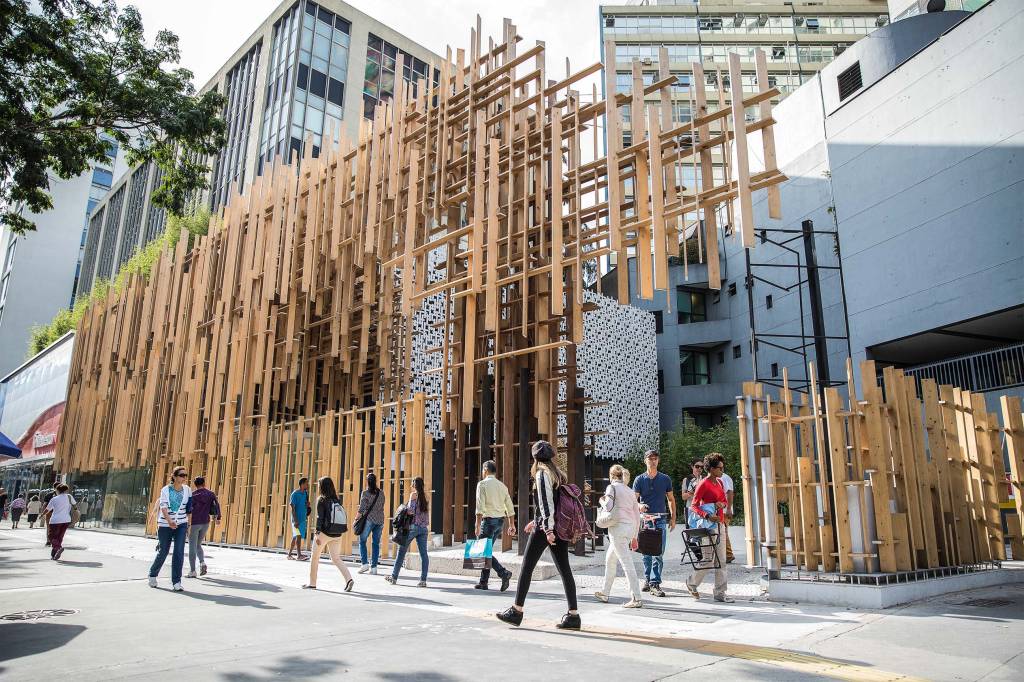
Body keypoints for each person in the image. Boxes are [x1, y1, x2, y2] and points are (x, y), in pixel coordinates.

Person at [496, 440, 580, 630]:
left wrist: (547, 528)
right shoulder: (558, 474)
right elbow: (554, 504)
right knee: (565, 570)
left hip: (547, 529)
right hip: (555, 526)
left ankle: (517, 611)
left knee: (526, 567)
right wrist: (537, 520)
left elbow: (546, 503)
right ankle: (573, 615)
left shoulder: (542, 474)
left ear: (534, 458)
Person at [686, 453, 733, 602]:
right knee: (708, 560)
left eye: (722, 467)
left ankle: (720, 593)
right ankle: (691, 582)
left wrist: (722, 504)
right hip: (708, 525)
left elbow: (724, 500)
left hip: (719, 523)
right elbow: (693, 506)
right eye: (720, 468)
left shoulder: (719, 483)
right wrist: (707, 515)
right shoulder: (703, 484)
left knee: (722, 560)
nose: (722, 470)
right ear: (711, 469)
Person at [594, 464, 643, 608]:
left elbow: (608, 506)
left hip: (617, 529)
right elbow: (636, 515)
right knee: (610, 560)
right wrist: (634, 536)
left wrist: (601, 501)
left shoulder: (612, 487)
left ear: (611, 475)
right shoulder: (630, 491)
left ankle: (636, 598)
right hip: (629, 529)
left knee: (627, 564)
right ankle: (605, 592)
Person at [632, 450, 676, 598]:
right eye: (650, 459)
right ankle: (648, 579)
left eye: (655, 458)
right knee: (646, 552)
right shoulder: (639, 479)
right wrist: (639, 506)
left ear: (658, 460)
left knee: (658, 552)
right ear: (645, 460)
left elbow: (670, 499)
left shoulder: (665, 479)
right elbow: (634, 500)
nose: (653, 461)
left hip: (661, 519)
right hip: (645, 519)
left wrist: (673, 517)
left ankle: (655, 582)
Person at [303, 476, 354, 591]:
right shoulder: (336, 499)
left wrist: (317, 533)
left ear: (322, 487)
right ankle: (349, 579)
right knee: (336, 558)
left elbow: (319, 517)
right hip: (337, 533)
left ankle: (312, 583)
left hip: (325, 533)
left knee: (315, 557)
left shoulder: (321, 499)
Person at [473, 460, 517, 591]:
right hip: (500, 522)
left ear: (485, 470)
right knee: (487, 552)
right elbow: (509, 506)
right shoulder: (502, 486)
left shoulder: (482, 484)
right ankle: (483, 582)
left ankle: (503, 573)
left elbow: (479, 506)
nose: (482, 473)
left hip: (488, 521)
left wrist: (477, 524)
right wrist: (512, 524)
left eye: (482, 470)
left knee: (483, 551)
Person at [148, 465, 191, 591]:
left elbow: (189, 508)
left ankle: (176, 582)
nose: (184, 478)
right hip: (165, 524)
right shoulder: (165, 490)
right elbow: (163, 507)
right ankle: (152, 574)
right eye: (181, 475)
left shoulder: (187, 490)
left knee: (179, 552)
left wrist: (188, 524)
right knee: (164, 551)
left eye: (185, 475)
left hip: (181, 524)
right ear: (174, 476)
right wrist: (169, 520)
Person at [385, 476, 430, 587]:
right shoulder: (426, 496)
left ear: (414, 485)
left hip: (413, 527)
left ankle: (394, 577)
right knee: (424, 554)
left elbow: (410, 511)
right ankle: (423, 580)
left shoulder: (413, 495)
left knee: (401, 552)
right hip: (424, 528)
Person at [186, 476, 221, 578]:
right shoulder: (211, 493)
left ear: (195, 484)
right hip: (206, 522)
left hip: (194, 523)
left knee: (192, 546)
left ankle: (193, 571)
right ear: (204, 483)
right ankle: (202, 563)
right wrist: (218, 518)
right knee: (198, 544)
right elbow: (216, 505)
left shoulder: (192, 495)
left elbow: (188, 510)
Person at [355, 473, 385, 574]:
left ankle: (364, 564)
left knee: (362, 541)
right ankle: (374, 568)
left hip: (369, 519)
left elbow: (361, 508)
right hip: (380, 520)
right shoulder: (381, 493)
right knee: (376, 543)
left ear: (367, 482)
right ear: (375, 481)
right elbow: (382, 505)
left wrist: (356, 520)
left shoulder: (365, 493)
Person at [44, 483, 77, 560]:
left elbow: (47, 509)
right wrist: (75, 512)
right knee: (59, 537)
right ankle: (54, 555)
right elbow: (75, 506)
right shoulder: (69, 497)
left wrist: (42, 515)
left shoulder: (54, 499)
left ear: (57, 490)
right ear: (66, 490)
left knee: (51, 536)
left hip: (55, 520)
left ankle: (58, 548)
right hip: (66, 520)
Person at [681, 459, 706, 560]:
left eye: (701, 467)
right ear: (692, 467)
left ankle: (704, 555)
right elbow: (683, 496)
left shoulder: (705, 479)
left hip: (702, 508)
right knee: (690, 534)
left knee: (703, 533)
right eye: (697, 466)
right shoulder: (687, 479)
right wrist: (693, 493)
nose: (699, 469)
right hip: (690, 508)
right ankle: (699, 555)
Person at [717, 456, 736, 564]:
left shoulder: (724, 477)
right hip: (721, 509)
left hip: (724, 510)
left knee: (723, 531)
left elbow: (730, 492)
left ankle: (728, 554)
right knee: (722, 531)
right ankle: (725, 554)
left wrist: (728, 508)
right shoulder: (720, 477)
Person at [288, 477, 311, 561]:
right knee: (298, 536)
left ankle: (289, 555)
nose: (307, 484)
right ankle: (299, 555)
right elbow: (293, 508)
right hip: (296, 519)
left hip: (302, 518)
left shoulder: (305, 493)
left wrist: (307, 504)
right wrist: (295, 520)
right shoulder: (295, 494)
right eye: (306, 483)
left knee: (295, 537)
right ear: (302, 484)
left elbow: (305, 504)